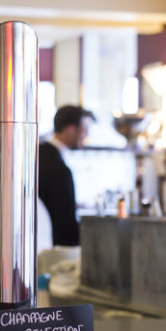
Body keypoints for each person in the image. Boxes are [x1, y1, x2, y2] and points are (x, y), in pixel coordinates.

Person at [38, 105, 95, 246]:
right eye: (84, 128)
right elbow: (65, 222)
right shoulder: (59, 169)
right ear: (70, 129)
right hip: (53, 249)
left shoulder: (40, 154)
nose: (86, 135)